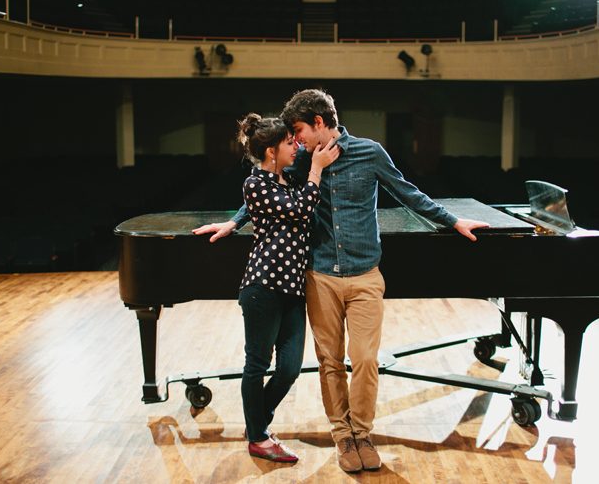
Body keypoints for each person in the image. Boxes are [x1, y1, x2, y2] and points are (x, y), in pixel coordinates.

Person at [195, 90, 489, 472]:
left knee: (365, 359)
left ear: (319, 123)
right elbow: (270, 191)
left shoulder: (370, 152)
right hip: (320, 277)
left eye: (298, 130)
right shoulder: (301, 160)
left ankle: (363, 432)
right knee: (329, 362)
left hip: (366, 274)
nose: (295, 139)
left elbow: (408, 194)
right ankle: (343, 438)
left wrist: (452, 220)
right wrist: (235, 221)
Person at [193, 113, 339, 463]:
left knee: (289, 367)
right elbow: (302, 208)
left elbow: (282, 202)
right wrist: (316, 169)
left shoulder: (286, 179)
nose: (297, 147)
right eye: (290, 143)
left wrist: (235, 220)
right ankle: (258, 437)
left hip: (292, 287)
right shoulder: (255, 184)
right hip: (263, 285)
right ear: (272, 151)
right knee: (256, 365)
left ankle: (256, 422)